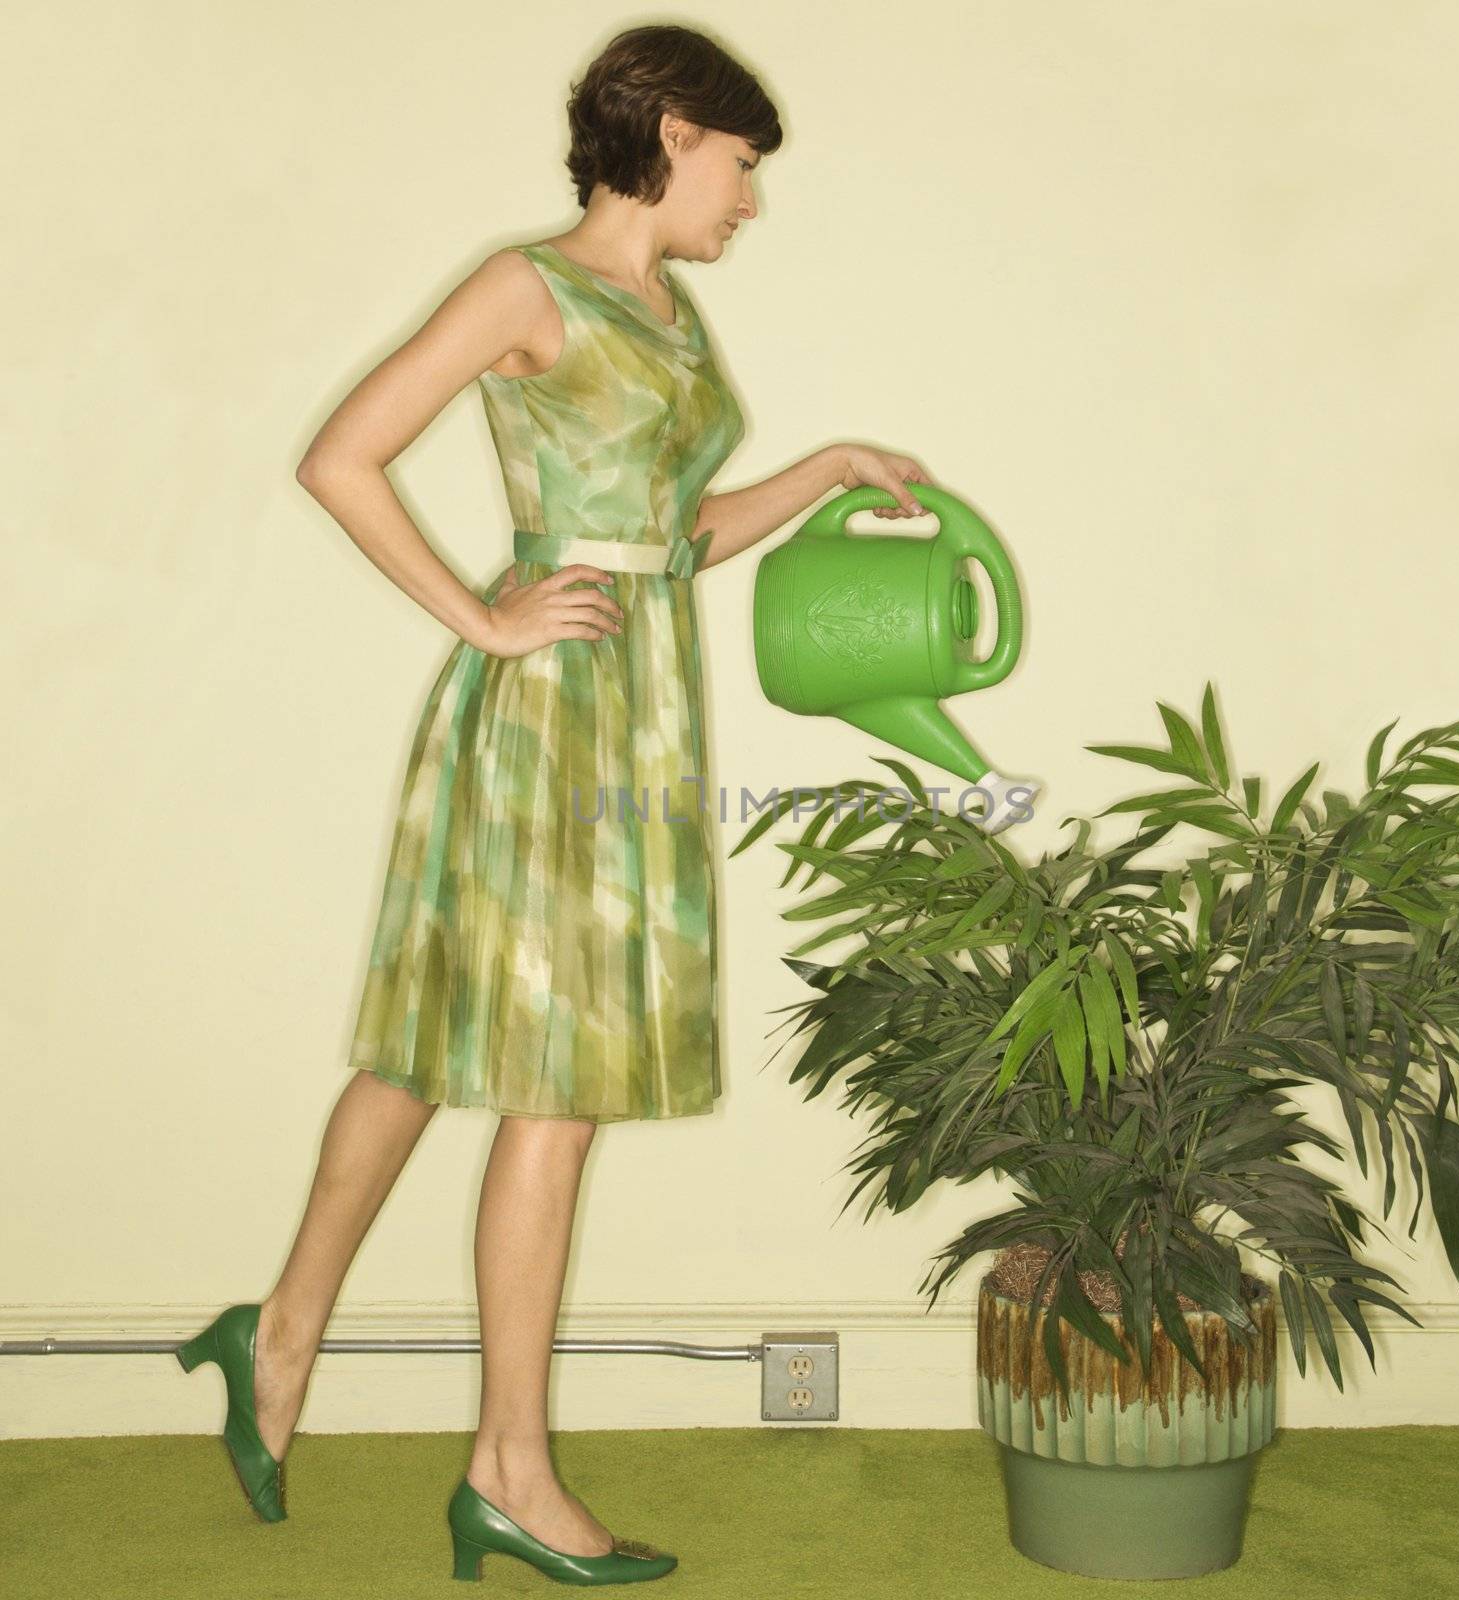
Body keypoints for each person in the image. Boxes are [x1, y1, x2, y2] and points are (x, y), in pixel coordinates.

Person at [175, 21, 934, 1586]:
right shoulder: (531, 286)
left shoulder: (665, 306)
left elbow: (673, 534)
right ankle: (506, 1469)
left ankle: (283, 1327)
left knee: (444, 1040)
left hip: (632, 708)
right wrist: (487, 615)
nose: (751, 200)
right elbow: (342, 457)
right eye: (740, 164)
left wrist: (828, 468)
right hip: (551, 720)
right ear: (665, 134)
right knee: (547, 1087)